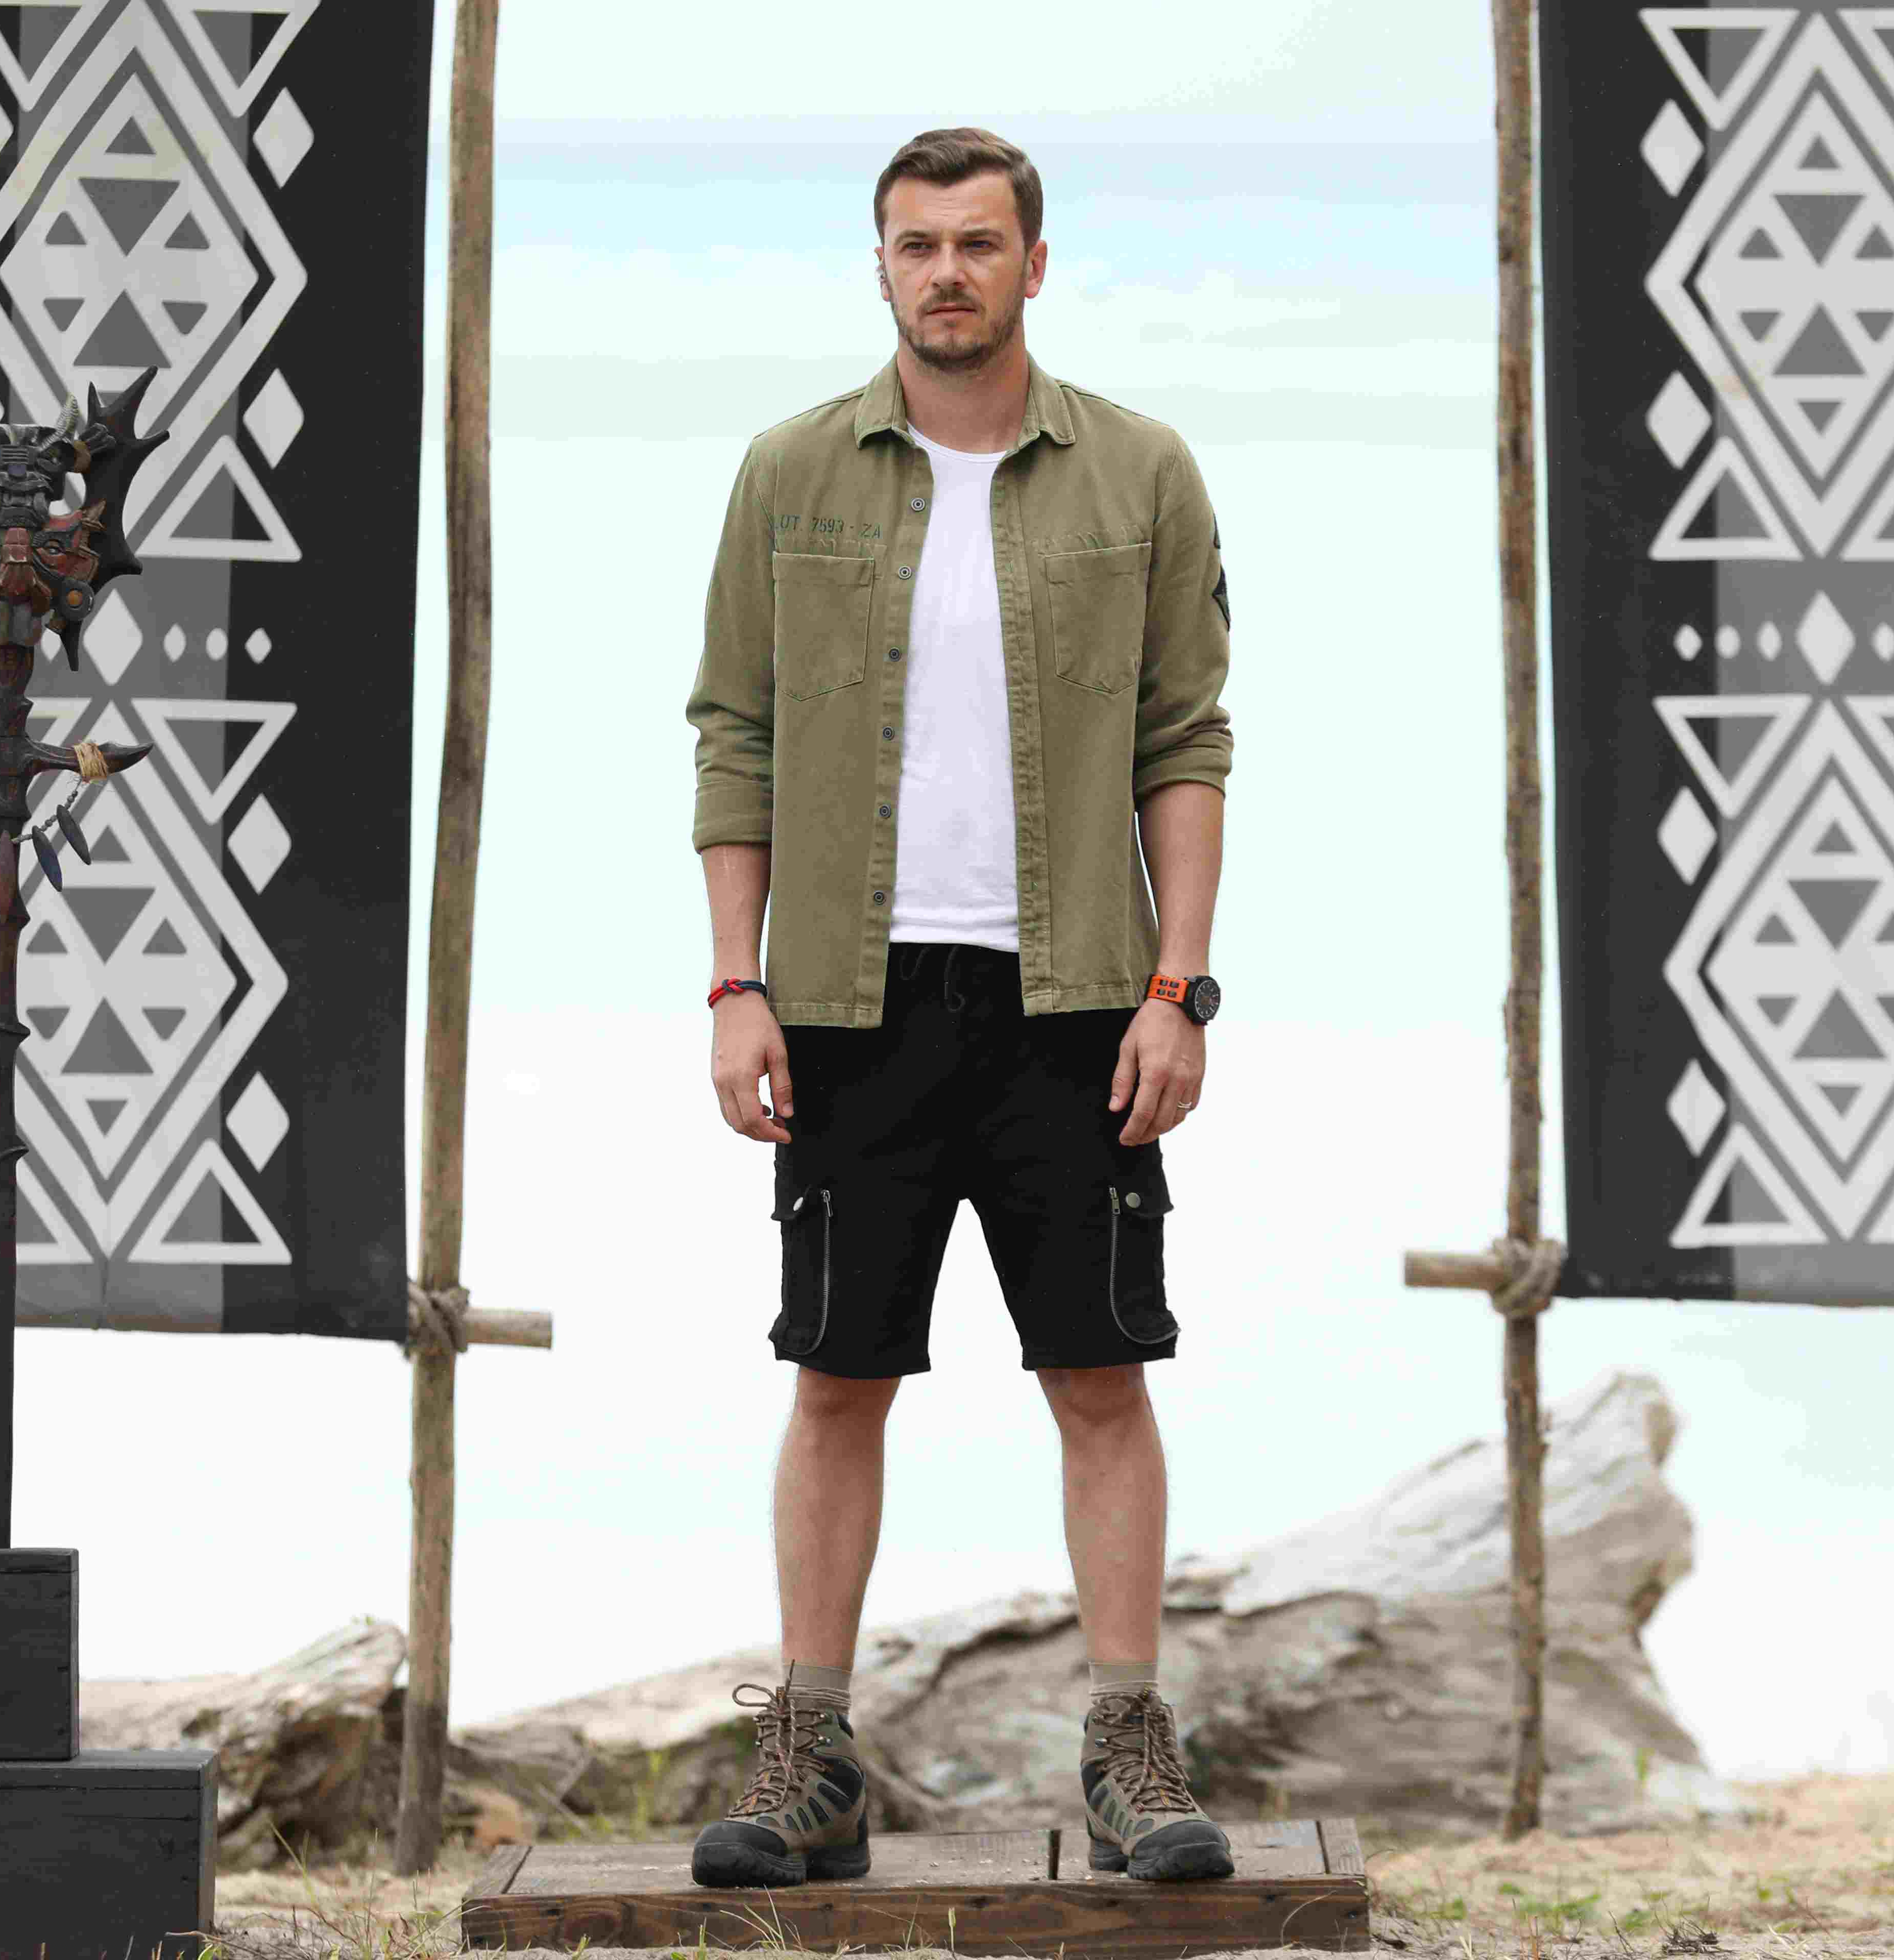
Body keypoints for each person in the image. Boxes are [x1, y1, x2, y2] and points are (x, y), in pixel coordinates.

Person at [680, 127, 1237, 1889]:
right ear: (881, 264)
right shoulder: (790, 474)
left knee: (1101, 1372)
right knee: (837, 1378)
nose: (947, 272)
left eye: (978, 242)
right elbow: (734, 734)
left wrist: (1178, 991)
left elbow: (1186, 739)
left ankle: (1129, 1754)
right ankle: (811, 1760)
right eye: (917, 244)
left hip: (1077, 997)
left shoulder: (1140, 473)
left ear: (1033, 265)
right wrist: (736, 983)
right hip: (847, 1003)